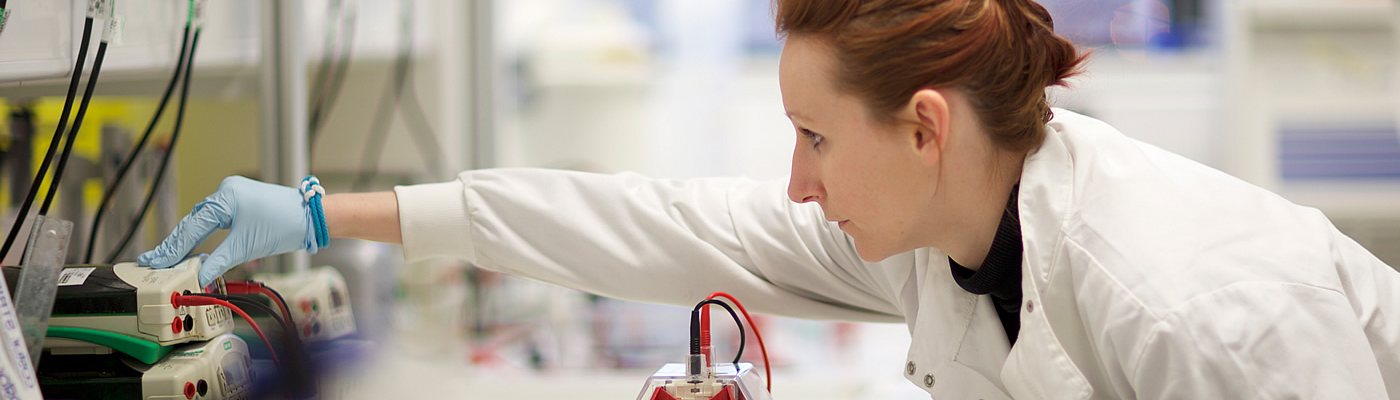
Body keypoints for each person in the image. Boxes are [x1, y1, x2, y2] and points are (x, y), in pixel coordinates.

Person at [140, 0, 1400, 398]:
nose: (794, 183)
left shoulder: (1194, 307)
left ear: (921, 126)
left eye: (810, 138)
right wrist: (324, 213)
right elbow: (652, 221)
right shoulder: (940, 233)